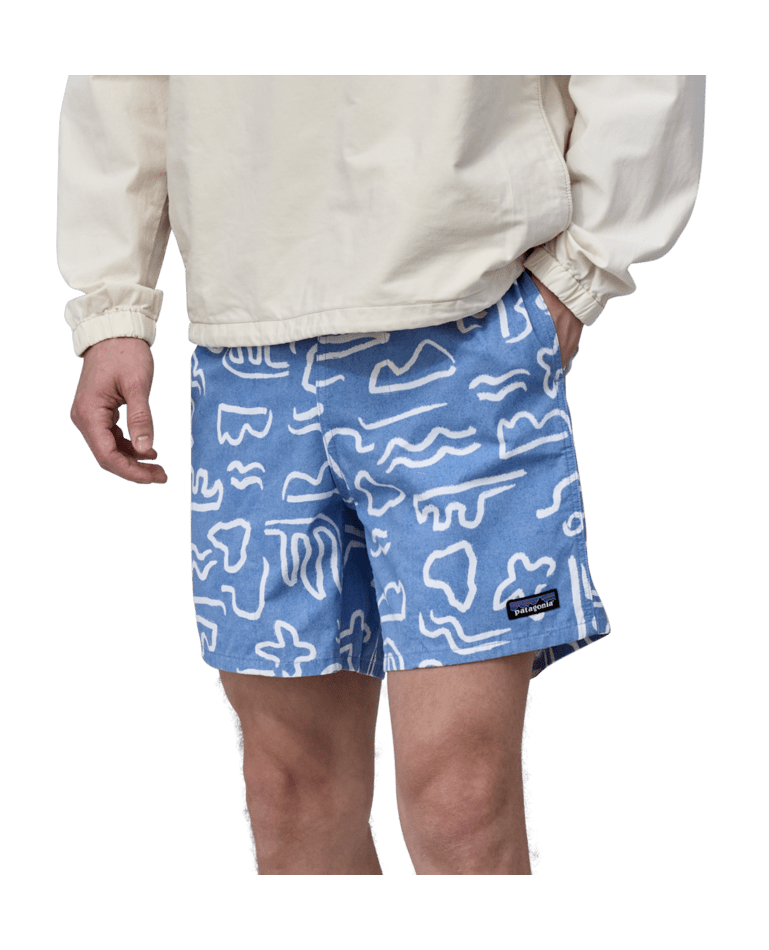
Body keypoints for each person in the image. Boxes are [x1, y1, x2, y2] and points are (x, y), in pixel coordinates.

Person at [57, 75, 706, 875]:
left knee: (462, 804)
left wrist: (582, 272)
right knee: (289, 794)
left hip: (464, 324)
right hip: (246, 339)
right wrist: (113, 304)